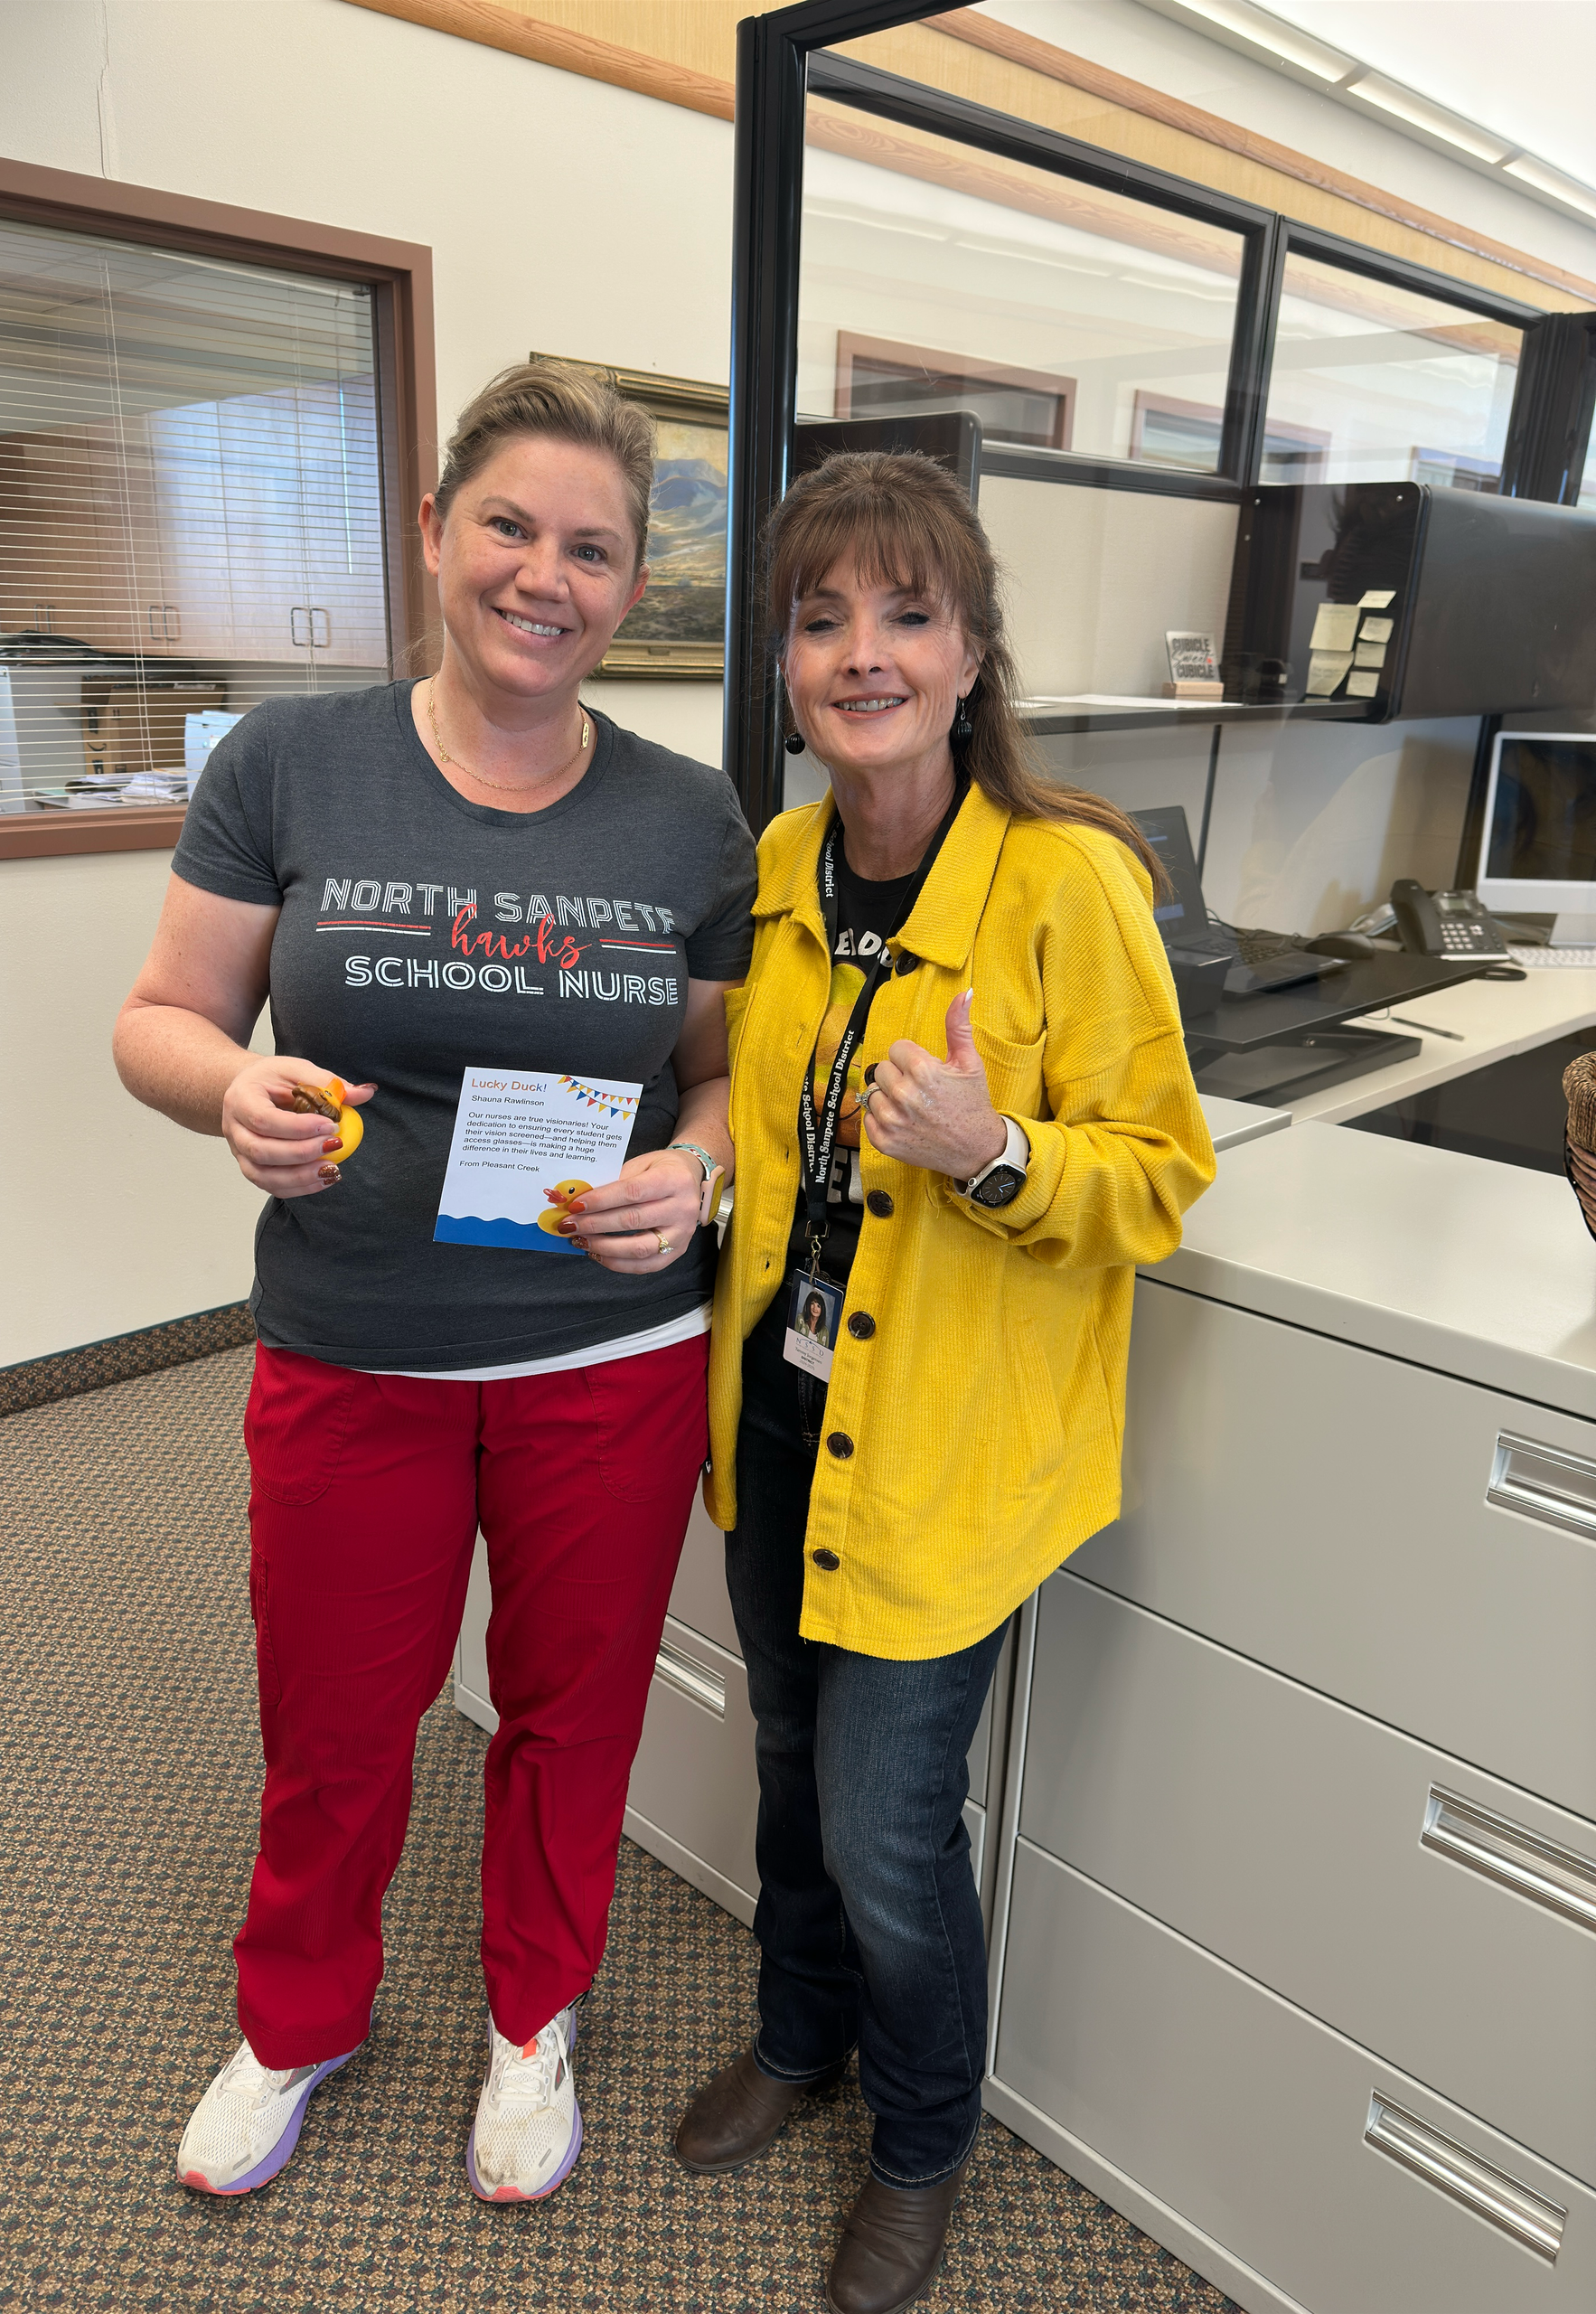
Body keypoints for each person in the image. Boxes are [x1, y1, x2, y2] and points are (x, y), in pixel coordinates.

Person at [114, 362, 756, 2206]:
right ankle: (298, 2014)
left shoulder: (687, 820)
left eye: (592, 549)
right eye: (509, 527)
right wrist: (228, 1085)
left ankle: (532, 2014)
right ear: (433, 533)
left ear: (630, 589)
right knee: (336, 1710)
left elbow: (711, 1066)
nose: (544, 575)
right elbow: (160, 1016)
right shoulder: (289, 762)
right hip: (356, 1338)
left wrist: (693, 1165)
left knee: (575, 1710)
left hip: (607, 1348)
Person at [675, 451, 1216, 2314]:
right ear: (786, 659)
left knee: (883, 1830)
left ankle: (920, 2137)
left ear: (974, 650)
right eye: (822, 617)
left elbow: (1159, 1172)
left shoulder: (1071, 882)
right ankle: (797, 2033)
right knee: (781, 1761)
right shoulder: (776, 864)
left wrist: (995, 1150)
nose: (862, 650)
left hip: (946, 1442)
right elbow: (770, 1134)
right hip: (780, 1406)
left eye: (907, 611)